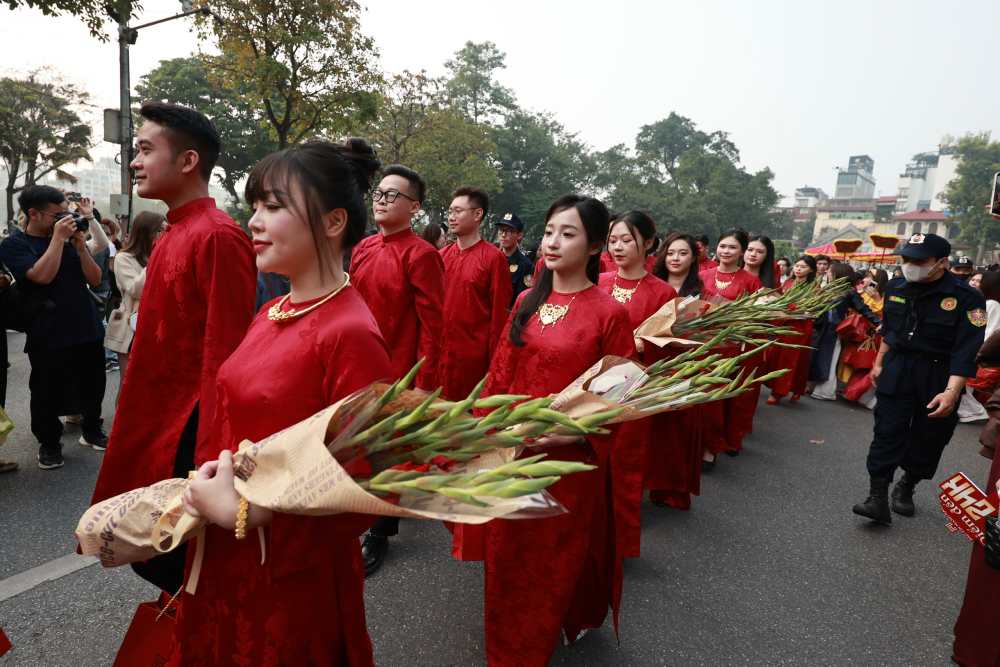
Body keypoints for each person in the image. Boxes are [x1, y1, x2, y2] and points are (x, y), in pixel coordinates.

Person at [175, 139, 390, 667]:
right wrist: (217, 471)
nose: (254, 221)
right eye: (255, 205)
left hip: (290, 575)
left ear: (333, 221)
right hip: (230, 549)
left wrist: (252, 512)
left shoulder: (350, 333)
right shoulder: (272, 309)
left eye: (273, 206)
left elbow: (367, 479)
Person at [451, 194, 633, 666]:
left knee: (548, 561)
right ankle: (504, 647)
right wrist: (482, 435)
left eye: (568, 234)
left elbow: (620, 398)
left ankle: (531, 648)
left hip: (565, 464)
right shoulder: (526, 301)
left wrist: (577, 435)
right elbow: (499, 375)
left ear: (595, 246)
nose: (553, 242)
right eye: (550, 231)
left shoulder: (609, 314)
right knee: (506, 555)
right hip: (512, 451)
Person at [90, 102, 257, 593]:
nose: (134, 161)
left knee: (178, 561)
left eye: (145, 150)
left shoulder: (219, 237)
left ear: (188, 161)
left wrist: (213, 451)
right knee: (154, 553)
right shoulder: (175, 232)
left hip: (189, 426)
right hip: (157, 412)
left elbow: (226, 354)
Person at [853, 233, 986, 526]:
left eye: (919, 260)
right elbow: (890, 330)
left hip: (940, 373)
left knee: (930, 436)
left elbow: (967, 350)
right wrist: (879, 363)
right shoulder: (897, 286)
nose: (910, 265)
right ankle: (877, 496)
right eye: (907, 259)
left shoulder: (969, 298)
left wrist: (952, 392)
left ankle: (908, 483)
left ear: (941, 262)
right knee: (887, 430)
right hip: (899, 366)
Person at [351, 164, 445, 576]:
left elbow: (433, 326)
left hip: (397, 371)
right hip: (357, 363)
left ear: (415, 207)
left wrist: (424, 385)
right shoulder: (363, 248)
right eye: (379, 192)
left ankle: (379, 531)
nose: (382, 200)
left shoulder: (421, 255)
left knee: (384, 453)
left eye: (393, 195)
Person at [0, 185, 106, 470]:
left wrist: (80, 247)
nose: (65, 219)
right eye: (57, 215)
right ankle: (49, 443)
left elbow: (95, 279)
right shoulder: (14, 245)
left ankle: (92, 430)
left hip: (86, 325)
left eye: (66, 213)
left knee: (93, 384)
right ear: (33, 214)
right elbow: (41, 276)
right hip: (47, 329)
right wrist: (58, 240)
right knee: (46, 390)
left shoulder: (70, 240)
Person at [598, 211, 676, 558]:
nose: (617, 247)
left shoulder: (662, 292)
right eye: (612, 240)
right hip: (590, 384)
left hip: (633, 388)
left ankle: (619, 543)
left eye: (626, 240)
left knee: (624, 467)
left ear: (647, 243)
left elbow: (668, 347)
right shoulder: (598, 282)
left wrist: (643, 345)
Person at [647, 232, 706, 508]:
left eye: (683, 253)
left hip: (681, 366)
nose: (675, 258)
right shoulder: (651, 286)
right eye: (671, 252)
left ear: (693, 258)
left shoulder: (701, 293)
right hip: (649, 363)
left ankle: (669, 488)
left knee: (674, 432)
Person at [438, 187, 512, 400]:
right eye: (450, 211)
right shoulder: (440, 256)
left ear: (478, 214)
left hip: (473, 362)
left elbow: (499, 317)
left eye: (458, 211)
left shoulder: (493, 259)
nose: (451, 217)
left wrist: (495, 365)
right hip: (440, 357)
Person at [699, 229, 762, 460]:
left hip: (729, 348)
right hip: (699, 344)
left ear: (742, 251)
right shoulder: (702, 275)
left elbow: (755, 317)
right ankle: (697, 443)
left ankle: (711, 447)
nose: (726, 251)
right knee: (699, 396)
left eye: (732, 247)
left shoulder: (751, 281)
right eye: (723, 246)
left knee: (719, 398)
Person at [104, 211, 164, 398]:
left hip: (158, 328)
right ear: (147, 232)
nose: (164, 234)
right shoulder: (124, 258)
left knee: (153, 387)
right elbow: (136, 290)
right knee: (129, 386)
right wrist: (156, 257)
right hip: (132, 328)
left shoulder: (165, 255)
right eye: (160, 230)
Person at [809, 263, 881, 401]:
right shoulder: (828, 288)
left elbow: (863, 309)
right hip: (820, 327)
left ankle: (825, 390)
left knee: (829, 358)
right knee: (819, 357)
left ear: (839, 274)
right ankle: (815, 386)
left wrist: (878, 322)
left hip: (833, 330)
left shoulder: (849, 291)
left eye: (830, 271)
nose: (828, 273)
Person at [766, 256, 818, 405]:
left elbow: (812, 309)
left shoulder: (814, 287)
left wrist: (791, 308)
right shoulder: (788, 282)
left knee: (791, 358)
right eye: (797, 266)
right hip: (784, 323)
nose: (798, 269)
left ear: (811, 270)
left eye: (803, 267)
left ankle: (778, 392)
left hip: (800, 326)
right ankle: (794, 388)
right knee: (778, 356)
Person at [496, 212, 534, 307]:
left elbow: (523, 297)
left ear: (519, 235)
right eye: (501, 230)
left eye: (509, 231)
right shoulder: (491, 258)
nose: (503, 235)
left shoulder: (526, 265)